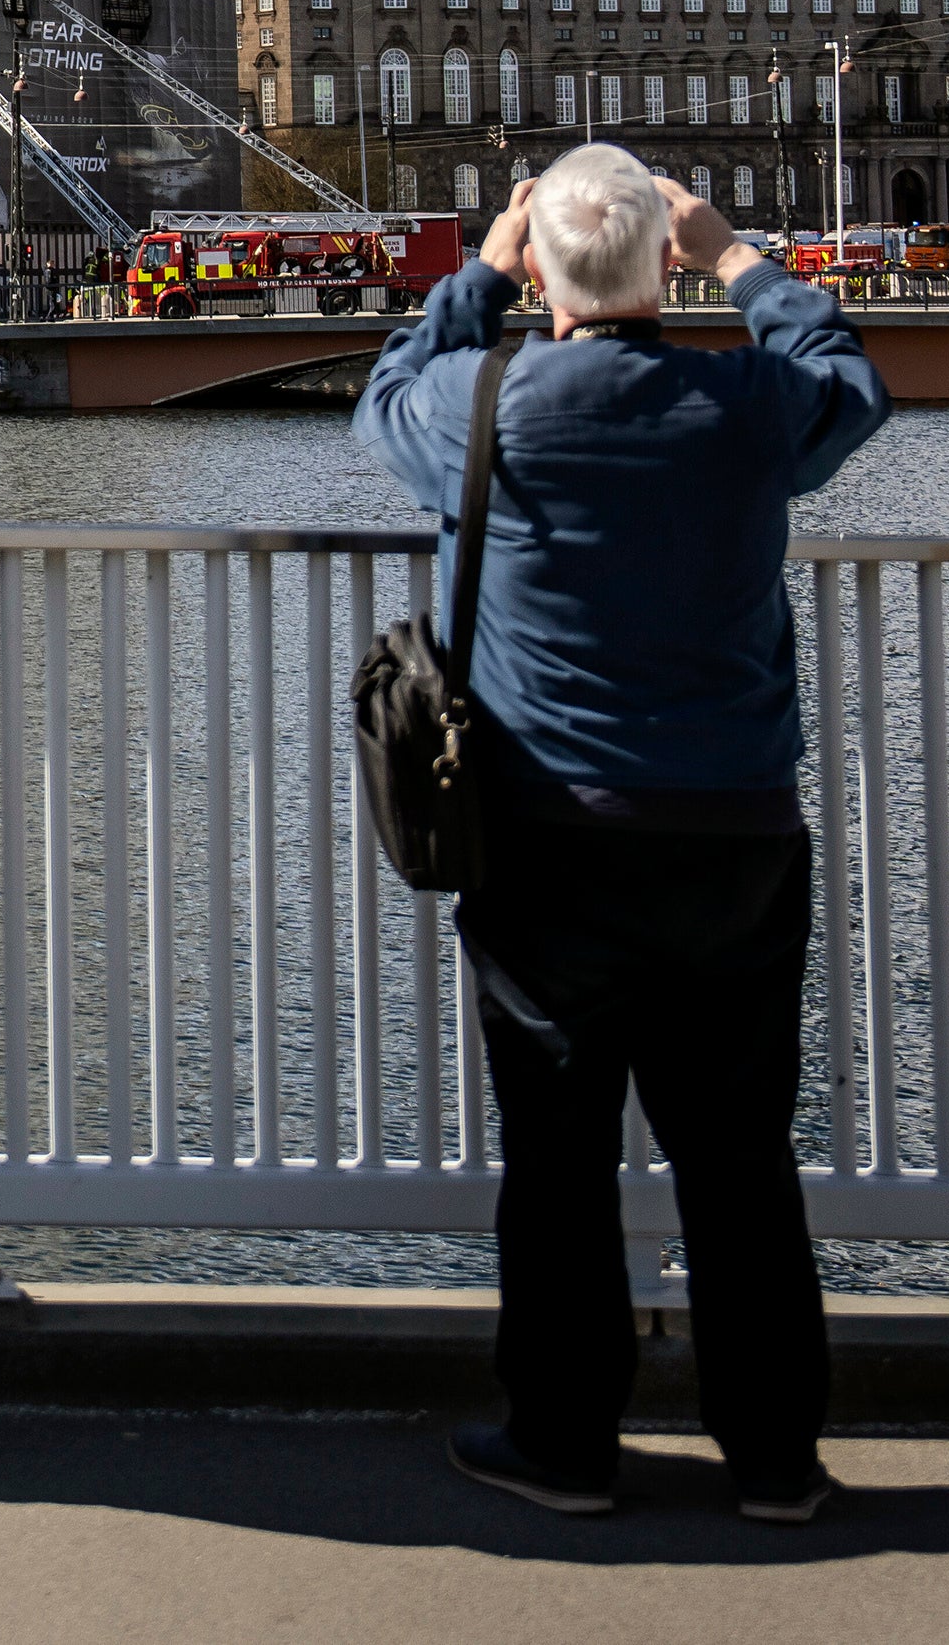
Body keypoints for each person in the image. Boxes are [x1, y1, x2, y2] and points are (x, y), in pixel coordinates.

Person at [354, 145, 889, 1526]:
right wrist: (738, 258)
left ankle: (567, 1441)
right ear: (664, 259)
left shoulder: (481, 405)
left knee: (558, 1155)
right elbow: (853, 383)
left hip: (544, 840)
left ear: (540, 270)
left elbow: (378, 397)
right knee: (740, 1161)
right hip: (731, 833)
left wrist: (478, 269)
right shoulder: (746, 402)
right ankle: (773, 1456)